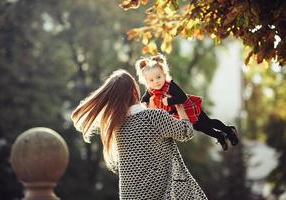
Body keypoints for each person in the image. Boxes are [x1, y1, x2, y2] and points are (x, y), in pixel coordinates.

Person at [71, 69, 208, 199]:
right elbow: (186, 131)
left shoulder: (117, 124)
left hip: (129, 196)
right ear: (134, 91)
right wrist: (180, 106)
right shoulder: (153, 117)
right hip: (157, 194)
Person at [135, 54, 239, 151]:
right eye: (151, 80)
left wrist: (169, 101)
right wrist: (143, 105)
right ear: (147, 82)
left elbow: (183, 97)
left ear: (164, 74)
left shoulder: (170, 86)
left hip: (189, 108)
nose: (156, 82)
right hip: (181, 114)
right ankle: (219, 136)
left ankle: (229, 131)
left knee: (207, 122)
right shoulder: (151, 90)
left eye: (158, 77)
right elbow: (144, 99)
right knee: (199, 127)